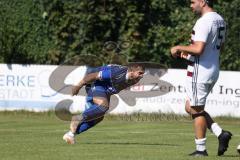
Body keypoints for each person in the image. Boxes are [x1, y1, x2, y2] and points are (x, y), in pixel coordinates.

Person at [170, 0, 232, 157]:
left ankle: (201, 150)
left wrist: (178, 47)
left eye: (192, 2)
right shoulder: (220, 19)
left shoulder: (204, 21)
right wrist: (189, 55)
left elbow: (198, 48)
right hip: (212, 69)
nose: (190, 5)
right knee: (189, 106)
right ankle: (220, 133)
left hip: (200, 71)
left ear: (203, 1)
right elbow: (218, 48)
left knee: (196, 110)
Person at [63, 63, 145, 144]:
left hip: (105, 89)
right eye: (140, 73)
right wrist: (77, 86)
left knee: (98, 117)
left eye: (143, 73)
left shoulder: (134, 79)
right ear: (131, 72)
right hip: (96, 83)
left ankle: (70, 134)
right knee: (103, 107)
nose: (142, 76)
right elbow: (92, 76)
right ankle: (78, 118)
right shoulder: (116, 72)